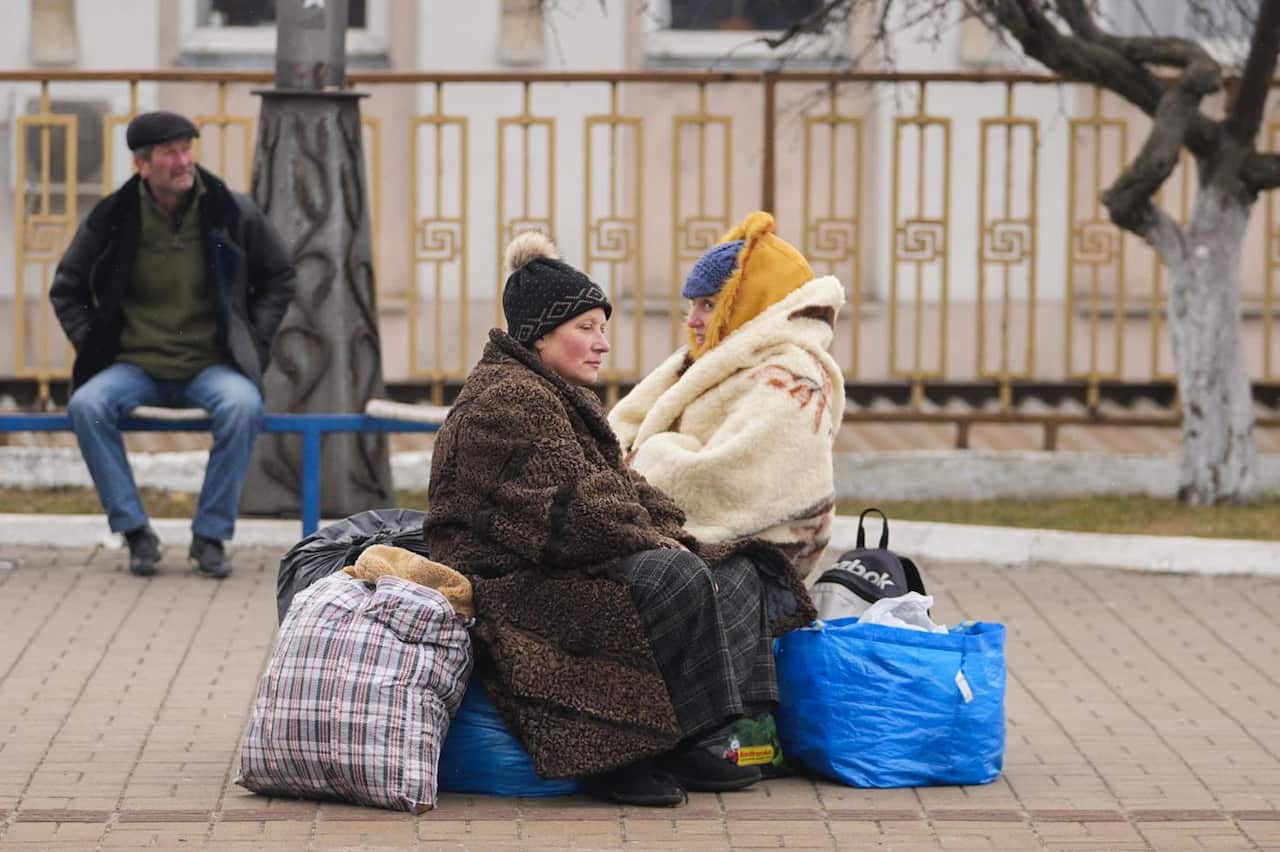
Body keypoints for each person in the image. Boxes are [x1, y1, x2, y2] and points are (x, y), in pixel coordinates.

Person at [424, 231, 814, 807]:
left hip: (563, 558)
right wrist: (657, 542)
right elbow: (570, 511)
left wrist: (670, 531)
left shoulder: (555, 392)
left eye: (603, 327)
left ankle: (696, 737)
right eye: (585, 328)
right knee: (667, 576)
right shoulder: (505, 400)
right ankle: (621, 756)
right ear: (538, 332)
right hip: (508, 581)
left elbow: (622, 484)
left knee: (737, 569)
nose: (602, 343)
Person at [49, 111, 296, 579]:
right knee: (87, 405)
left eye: (187, 149)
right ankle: (135, 532)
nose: (184, 161)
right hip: (133, 366)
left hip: (211, 365)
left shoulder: (231, 210)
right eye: (170, 153)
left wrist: (255, 344)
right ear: (142, 165)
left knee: (243, 405)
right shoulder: (111, 217)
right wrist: (95, 346)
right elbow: (67, 288)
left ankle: (211, 535)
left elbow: (279, 275)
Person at [609, 211, 846, 578]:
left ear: (747, 303)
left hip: (756, 563)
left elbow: (726, 476)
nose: (693, 320)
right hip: (707, 551)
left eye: (708, 305)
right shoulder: (717, 361)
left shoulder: (787, 375)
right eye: (693, 305)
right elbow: (622, 427)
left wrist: (646, 457)